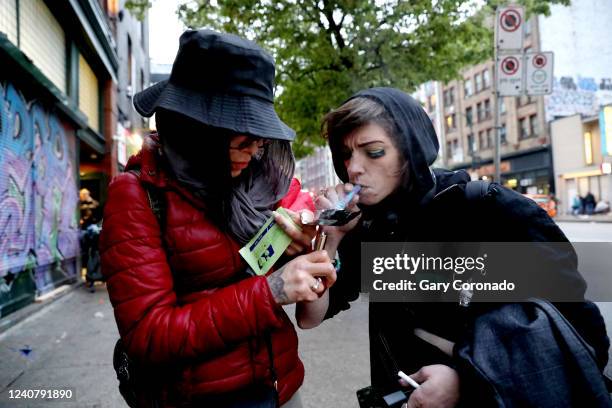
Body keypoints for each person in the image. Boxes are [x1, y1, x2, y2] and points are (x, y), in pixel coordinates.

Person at [297, 88, 610, 407]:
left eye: (374, 152)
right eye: (346, 154)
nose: (354, 169)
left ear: (411, 150)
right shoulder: (370, 227)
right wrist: (331, 239)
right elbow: (310, 316)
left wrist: (467, 381)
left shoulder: (486, 211)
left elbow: (582, 332)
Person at [100, 30, 336, 407]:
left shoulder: (259, 181)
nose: (255, 151)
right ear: (198, 131)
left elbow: (283, 268)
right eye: (243, 139)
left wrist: (305, 249)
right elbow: (148, 335)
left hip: (281, 386)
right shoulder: (136, 196)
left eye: (260, 139)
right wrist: (271, 291)